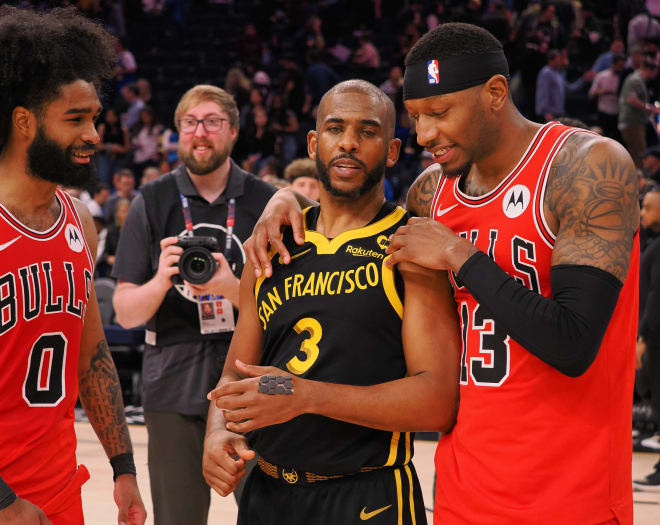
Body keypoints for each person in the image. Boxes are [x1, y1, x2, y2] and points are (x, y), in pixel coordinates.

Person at [244, 23, 640, 524]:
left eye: (440, 113)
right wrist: (285, 200)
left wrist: (461, 256)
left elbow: (573, 343)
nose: (424, 134)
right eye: (414, 117)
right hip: (461, 490)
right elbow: (351, 217)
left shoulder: (587, 167)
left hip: (569, 495)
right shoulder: (433, 193)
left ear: (495, 93)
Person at [203, 79, 461, 525]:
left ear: (393, 150)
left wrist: (304, 396)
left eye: (367, 131)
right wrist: (216, 432)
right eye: (335, 128)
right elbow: (235, 374)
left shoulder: (409, 247)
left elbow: (437, 401)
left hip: (367, 495)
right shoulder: (271, 243)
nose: (348, 143)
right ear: (313, 141)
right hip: (266, 493)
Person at [0, 7, 146, 525]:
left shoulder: (79, 222)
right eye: (75, 119)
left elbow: (92, 357)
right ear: (25, 122)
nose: (93, 134)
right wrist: (0, 501)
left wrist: (124, 469)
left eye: (94, 118)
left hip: (60, 492)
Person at [111, 84, 276, 525]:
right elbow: (125, 311)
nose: (200, 133)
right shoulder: (152, 199)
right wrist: (161, 281)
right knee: (177, 518)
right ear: (177, 132)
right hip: (172, 379)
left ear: (234, 131)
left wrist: (230, 287)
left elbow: (288, 311)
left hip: (250, 380)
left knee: (269, 512)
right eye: (190, 123)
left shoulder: (265, 200)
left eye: (212, 122)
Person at [634, 187, 660, 488]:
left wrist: (643, 337)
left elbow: (655, 297)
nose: (642, 213)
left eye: (649, 207)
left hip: (655, 338)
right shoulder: (651, 244)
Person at [618, 56, 660, 168]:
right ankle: (639, 184)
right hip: (632, 123)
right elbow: (630, 99)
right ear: (651, 70)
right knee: (639, 158)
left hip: (634, 123)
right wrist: (649, 108)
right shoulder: (635, 80)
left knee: (637, 156)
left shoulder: (638, 80)